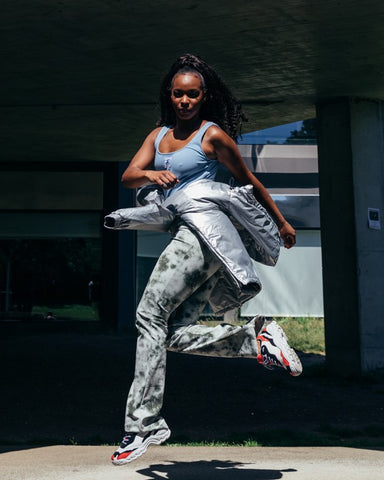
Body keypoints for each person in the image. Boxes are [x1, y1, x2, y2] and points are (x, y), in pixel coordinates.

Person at [111, 53, 302, 465]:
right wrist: (150, 175)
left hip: (204, 234)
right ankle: (258, 339)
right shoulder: (158, 136)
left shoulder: (212, 136)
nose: (184, 101)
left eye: (192, 95)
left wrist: (281, 222)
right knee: (172, 333)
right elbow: (128, 174)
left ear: (204, 97)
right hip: (189, 236)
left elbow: (249, 181)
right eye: (178, 94)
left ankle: (142, 424)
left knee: (148, 315)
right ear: (170, 95)